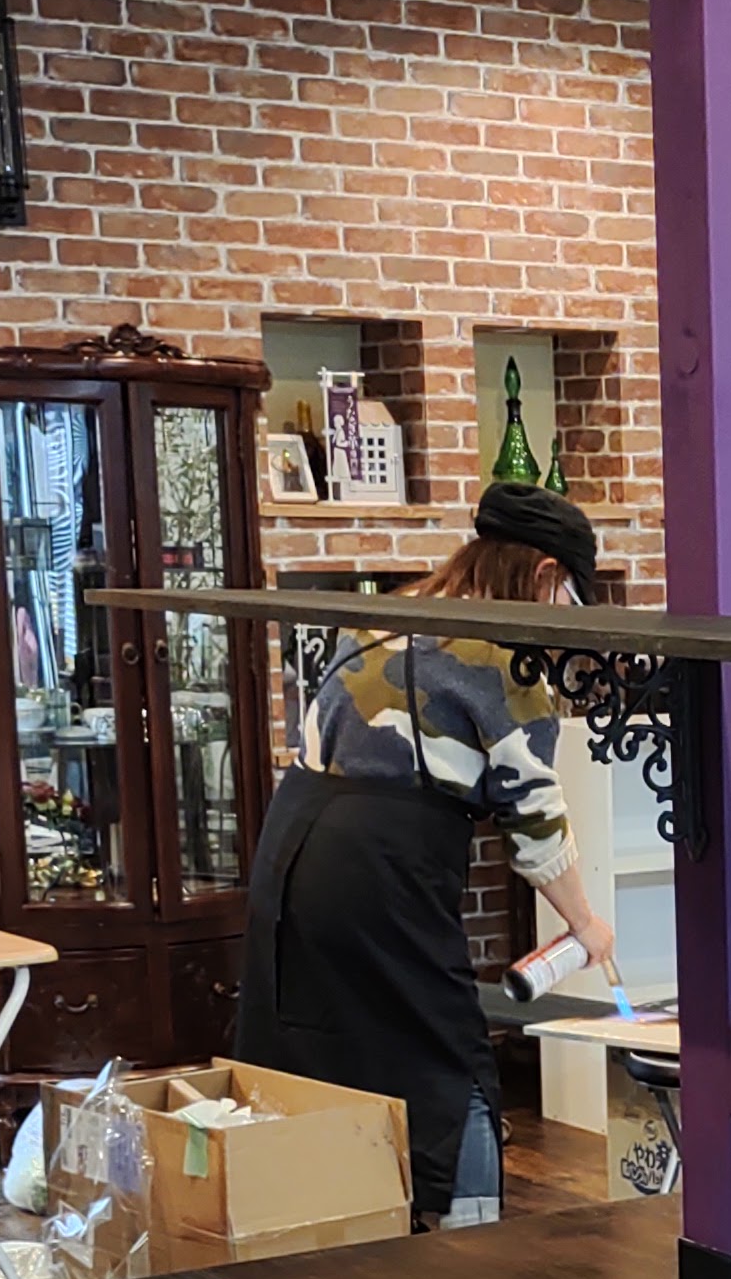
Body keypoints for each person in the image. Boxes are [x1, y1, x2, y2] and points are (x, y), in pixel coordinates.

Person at [235, 480, 617, 1227]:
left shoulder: (377, 618)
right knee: (448, 1054)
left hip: (292, 850)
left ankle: (323, 1225)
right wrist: (585, 924)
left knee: (319, 1046)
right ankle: (465, 1237)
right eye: (570, 595)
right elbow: (534, 819)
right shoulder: (503, 660)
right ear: (545, 573)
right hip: (381, 865)